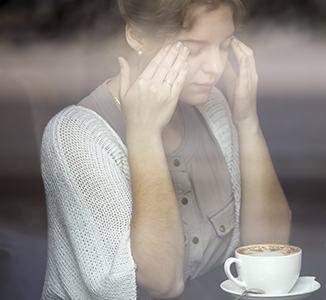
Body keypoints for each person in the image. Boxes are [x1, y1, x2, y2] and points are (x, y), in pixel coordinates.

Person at [40, 0, 291, 299]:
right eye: (194, 50)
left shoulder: (213, 108)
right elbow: (162, 283)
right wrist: (144, 133)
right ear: (137, 37)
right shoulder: (74, 135)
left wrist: (248, 123)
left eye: (224, 46)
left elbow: (271, 251)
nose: (216, 67)